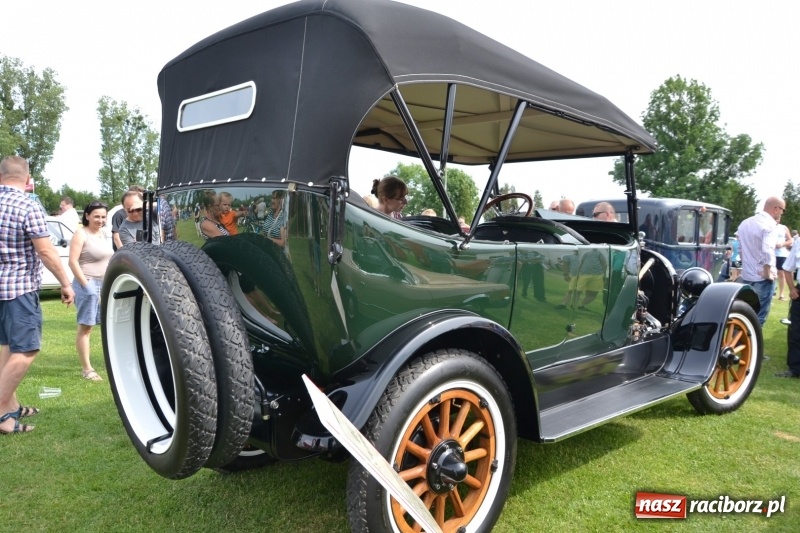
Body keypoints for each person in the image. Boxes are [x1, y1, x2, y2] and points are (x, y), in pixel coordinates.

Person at [0, 156, 75, 435]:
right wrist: (66, 283)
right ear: (27, 179)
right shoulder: (27, 205)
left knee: (7, 348)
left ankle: (11, 405)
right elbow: (45, 251)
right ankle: (0, 414)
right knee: (27, 350)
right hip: (18, 288)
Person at [68, 201, 113, 381]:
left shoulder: (103, 233)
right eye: (96, 216)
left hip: (105, 284)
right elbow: (72, 262)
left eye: (103, 216)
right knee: (86, 327)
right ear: (87, 215)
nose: (100, 220)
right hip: (88, 284)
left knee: (108, 325)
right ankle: (87, 369)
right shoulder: (81, 233)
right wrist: (86, 287)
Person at [737, 196, 786, 327]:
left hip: (747, 276)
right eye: (783, 210)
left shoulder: (745, 223)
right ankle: (754, 345)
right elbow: (767, 250)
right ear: (776, 209)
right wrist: (767, 272)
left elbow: (740, 249)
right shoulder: (769, 225)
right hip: (762, 277)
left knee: (742, 315)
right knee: (758, 318)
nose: (782, 213)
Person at [778, 236, 800, 378]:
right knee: (796, 331)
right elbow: (787, 267)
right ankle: (795, 369)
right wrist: (792, 289)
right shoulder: (799, 241)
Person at [773, 222, 792, 300]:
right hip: (770, 253)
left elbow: (790, 240)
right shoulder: (768, 226)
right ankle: (772, 292)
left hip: (781, 254)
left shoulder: (783, 227)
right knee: (771, 273)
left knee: (781, 274)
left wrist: (782, 244)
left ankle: (781, 294)